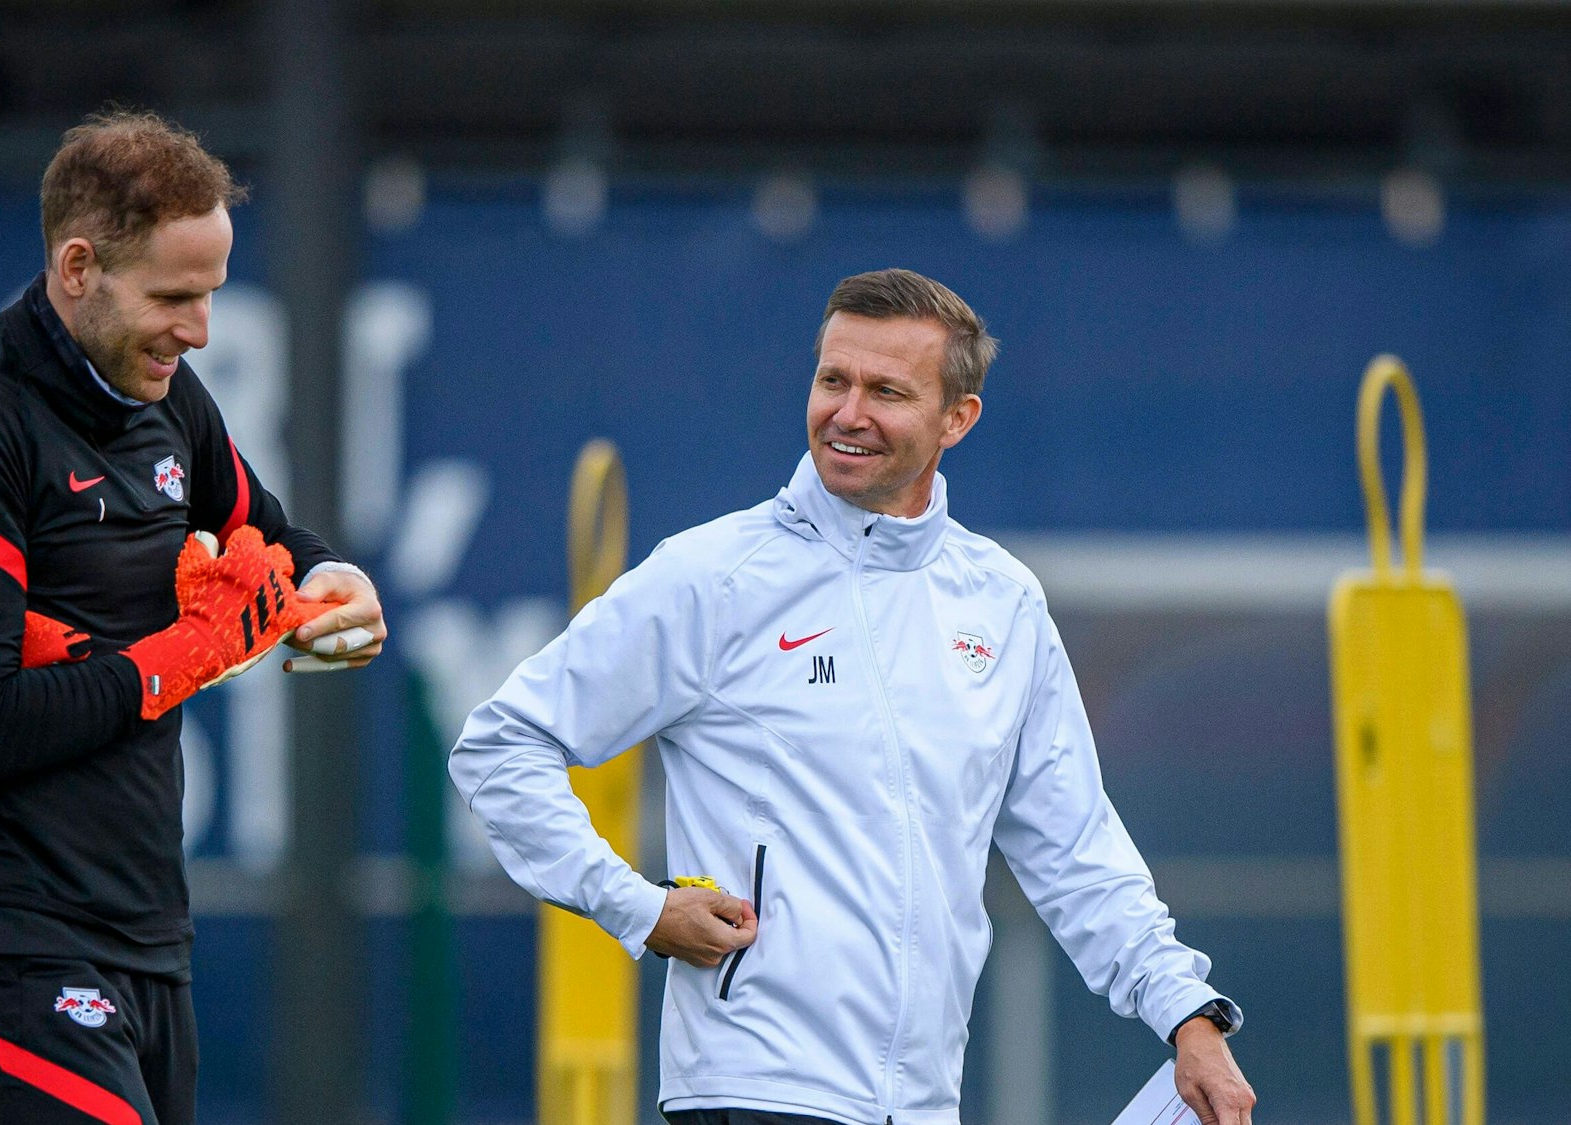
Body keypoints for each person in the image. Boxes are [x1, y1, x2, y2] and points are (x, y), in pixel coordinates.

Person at [450, 269, 1255, 1125]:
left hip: (923, 1106)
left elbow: (1077, 848)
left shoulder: (1003, 600)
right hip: (753, 1093)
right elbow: (500, 746)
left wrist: (1188, 1013)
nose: (848, 412)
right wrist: (638, 907)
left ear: (958, 418)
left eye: (886, 391)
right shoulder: (714, 575)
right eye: (833, 379)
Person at [0, 111, 385, 1125]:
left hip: (148, 946)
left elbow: (270, 539)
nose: (197, 332)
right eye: (173, 296)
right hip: (0, 948)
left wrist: (339, 584)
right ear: (75, 267)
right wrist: (183, 656)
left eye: (210, 297)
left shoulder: (167, 400)